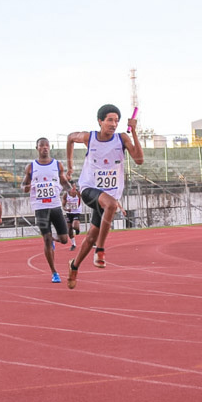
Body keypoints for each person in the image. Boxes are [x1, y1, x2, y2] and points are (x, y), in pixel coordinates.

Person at [65, 104, 144, 289]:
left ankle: (74, 266)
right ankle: (100, 250)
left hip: (107, 195)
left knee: (91, 235)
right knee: (111, 205)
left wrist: (135, 133)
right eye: (109, 120)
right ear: (100, 121)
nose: (113, 124)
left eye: (116, 120)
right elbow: (69, 138)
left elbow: (139, 160)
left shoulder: (122, 138)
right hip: (89, 189)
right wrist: (70, 167)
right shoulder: (89, 137)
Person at [22, 138, 71, 283]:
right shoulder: (31, 167)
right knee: (47, 239)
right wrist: (26, 186)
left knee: (64, 239)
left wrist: (70, 189)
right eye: (42, 146)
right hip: (40, 208)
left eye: (47, 146)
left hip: (55, 206)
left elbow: (63, 181)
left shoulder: (57, 165)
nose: (45, 148)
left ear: (49, 148)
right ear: (37, 148)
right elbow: (24, 185)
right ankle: (54, 272)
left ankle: (54, 239)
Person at [62, 184, 82, 251]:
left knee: (74, 226)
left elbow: (82, 196)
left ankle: (77, 229)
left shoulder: (78, 193)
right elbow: (63, 206)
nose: (73, 189)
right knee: (69, 229)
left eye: (74, 187)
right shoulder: (66, 195)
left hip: (77, 212)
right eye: (72, 187)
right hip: (69, 213)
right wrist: (66, 209)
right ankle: (73, 244)